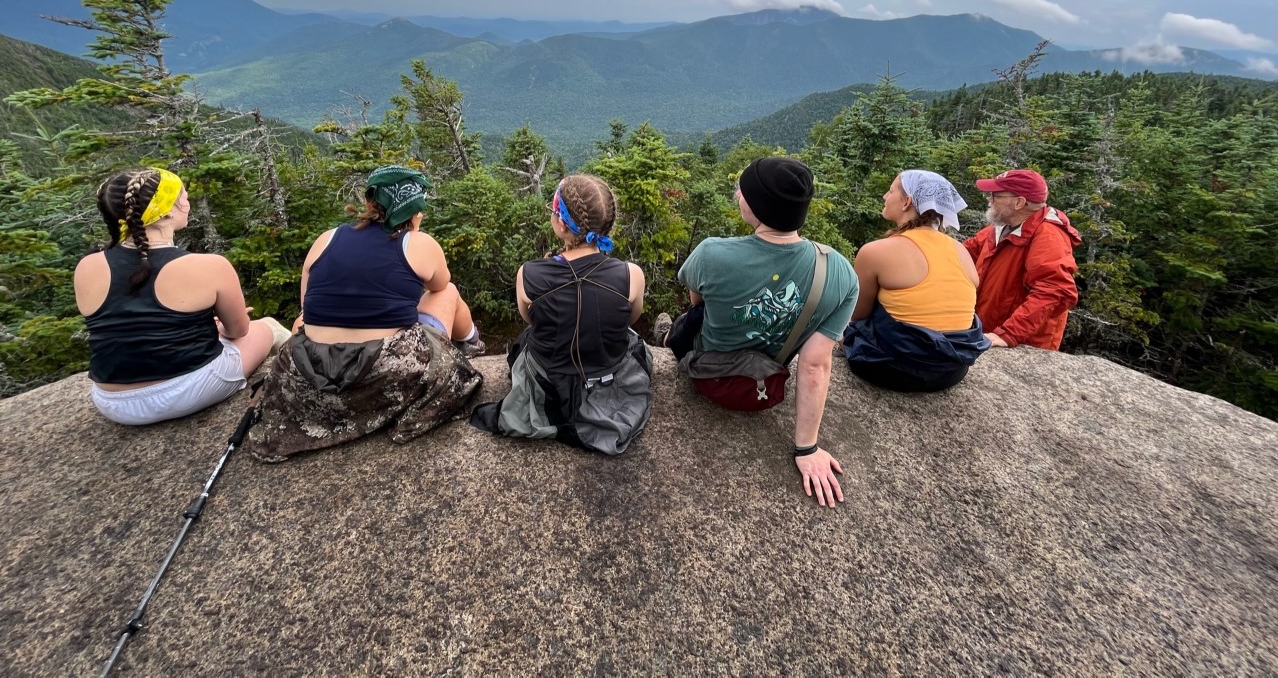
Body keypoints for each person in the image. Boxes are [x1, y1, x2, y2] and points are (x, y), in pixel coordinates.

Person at [248, 165, 484, 461]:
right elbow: (440, 283)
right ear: (416, 209)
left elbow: (308, 310)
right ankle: (472, 344)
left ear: (369, 202)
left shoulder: (326, 239)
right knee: (447, 294)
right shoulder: (420, 243)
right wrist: (414, 235)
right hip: (384, 371)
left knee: (301, 322)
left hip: (311, 368)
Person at [661, 157, 858, 508]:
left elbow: (696, 301)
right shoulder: (840, 273)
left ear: (753, 207)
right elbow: (815, 365)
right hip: (764, 383)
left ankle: (664, 335)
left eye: (743, 190)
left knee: (680, 322)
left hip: (707, 376)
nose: (738, 194)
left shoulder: (712, 252)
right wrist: (807, 448)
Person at [76, 167, 286, 425]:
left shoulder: (87, 266)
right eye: (183, 197)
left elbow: (127, 322)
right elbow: (239, 331)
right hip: (185, 389)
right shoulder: (209, 265)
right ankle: (309, 378)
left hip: (111, 402)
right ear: (165, 210)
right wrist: (221, 328)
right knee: (269, 327)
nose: (188, 202)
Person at [470, 174, 652, 455]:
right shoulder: (631, 275)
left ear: (562, 224)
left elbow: (531, 322)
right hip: (607, 372)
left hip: (549, 378)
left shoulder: (529, 275)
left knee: (526, 340)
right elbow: (630, 320)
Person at [842, 170, 988, 392]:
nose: (884, 196)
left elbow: (857, 314)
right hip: (953, 370)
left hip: (892, 368)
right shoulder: (960, 250)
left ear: (906, 202)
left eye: (890, 191)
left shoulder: (875, 252)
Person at [964, 169, 1081, 350]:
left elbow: (1055, 290)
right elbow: (963, 253)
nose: (989, 199)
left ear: (1019, 202)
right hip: (988, 333)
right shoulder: (1000, 228)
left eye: (995, 195)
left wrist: (1009, 334)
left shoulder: (1048, 235)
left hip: (1020, 344)